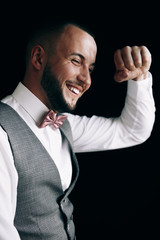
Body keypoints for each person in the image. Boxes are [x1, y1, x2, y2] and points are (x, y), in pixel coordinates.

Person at [0, 22, 155, 240]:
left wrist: (139, 77)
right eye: (76, 61)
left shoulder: (65, 126)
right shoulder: (1, 132)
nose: (86, 79)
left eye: (90, 69)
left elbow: (133, 130)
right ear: (38, 58)